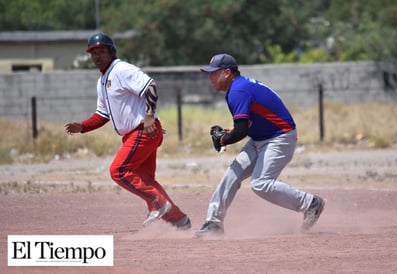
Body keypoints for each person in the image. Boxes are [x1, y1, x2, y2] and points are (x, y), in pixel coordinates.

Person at [64, 33, 191, 230]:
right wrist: (83, 127)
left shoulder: (121, 69)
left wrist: (149, 116)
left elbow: (150, 86)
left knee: (119, 171)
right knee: (145, 179)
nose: (97, 56)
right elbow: (102, 114)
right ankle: (179, 220)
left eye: (102, 51)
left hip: (143, 131)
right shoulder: (102, 81)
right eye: (93, 53)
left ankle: (159, 204)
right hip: (136, 134)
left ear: (111, 52)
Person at [195, 53, 325, 237]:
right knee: (231, 176)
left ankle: (310, 203)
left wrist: (224, 139)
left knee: (261, 183)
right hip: (260, 138)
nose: (209, 77)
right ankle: (214, 223)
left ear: (226, 73)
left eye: (213, 72)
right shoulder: (239, 86)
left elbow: (240, 131)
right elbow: (247, 123)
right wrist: (230, 132)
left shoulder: (238, 91)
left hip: (280, 138)